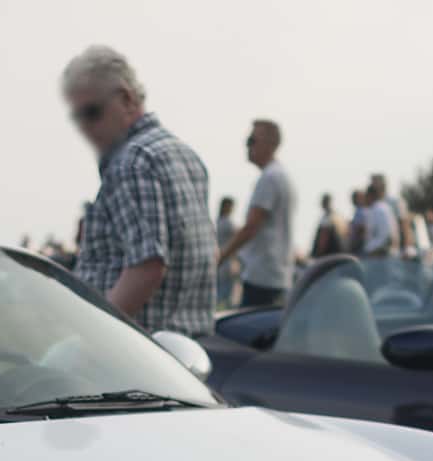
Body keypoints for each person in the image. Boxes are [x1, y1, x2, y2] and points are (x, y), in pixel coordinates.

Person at [61, 45, 215, 336]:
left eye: (91, 113)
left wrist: (94, 334)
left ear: (126, 99)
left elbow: (147, 267)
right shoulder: (183, 153)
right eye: (77, 118)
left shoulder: (131, 162)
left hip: (141, 347)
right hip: (187, 342)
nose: (84, 128)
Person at [218, 120, 295, 308]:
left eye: (252, 141)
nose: (247, 146)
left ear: (271, 144)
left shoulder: (270, 177)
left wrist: (220, 256)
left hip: (262, 276)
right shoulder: (280, 175)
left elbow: (251, 227)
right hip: (275, 275)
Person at [352, 175, 397, 257]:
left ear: (371, 196)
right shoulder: (374, 209)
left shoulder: (380, 210)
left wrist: (369, 250)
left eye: (366, 196)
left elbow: (385, 236)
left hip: (381, 255)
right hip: (375, 253)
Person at [213, 196, 238, 305]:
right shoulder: (228, 223)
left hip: (218, 259)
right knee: (225, 293)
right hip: (227, 260)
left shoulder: (217, 222)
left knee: (219, 289)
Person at [309, 193, 346, 258]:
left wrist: (315, 256)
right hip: (340, 256)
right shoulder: (339, 217)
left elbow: (323, 241)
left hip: (329, 257)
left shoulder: (327, 218)